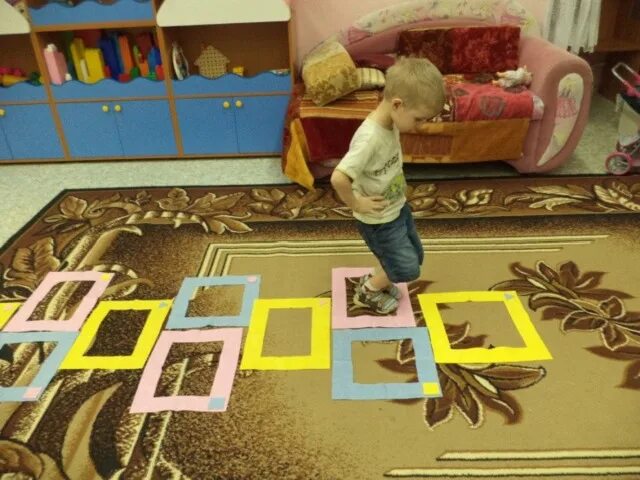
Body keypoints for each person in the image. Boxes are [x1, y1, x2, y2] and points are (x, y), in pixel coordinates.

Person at [331, 57, 446, 314]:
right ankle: (368, 291)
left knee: (414, 255)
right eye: (419, 119)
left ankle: (380, 278)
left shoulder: (391, 120)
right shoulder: (370, 138)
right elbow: (338, 178)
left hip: (396, 208)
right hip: (379, 220)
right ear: (397, 104)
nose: (421, 126)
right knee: (406, 269)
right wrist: (356, 204)